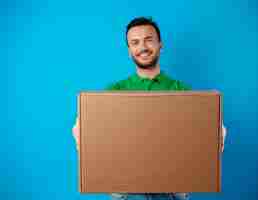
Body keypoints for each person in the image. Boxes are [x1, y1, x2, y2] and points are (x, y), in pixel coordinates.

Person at [72, 17, 227, 200]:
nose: (143, 47)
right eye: (135, 43)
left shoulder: (181, 90)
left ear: (160, 44)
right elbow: (88, 135)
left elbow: (204, 139)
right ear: (129, 51)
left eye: (149, 40)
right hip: (126, 192)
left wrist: (215, 125)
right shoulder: (114, 92)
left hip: (171, 192)